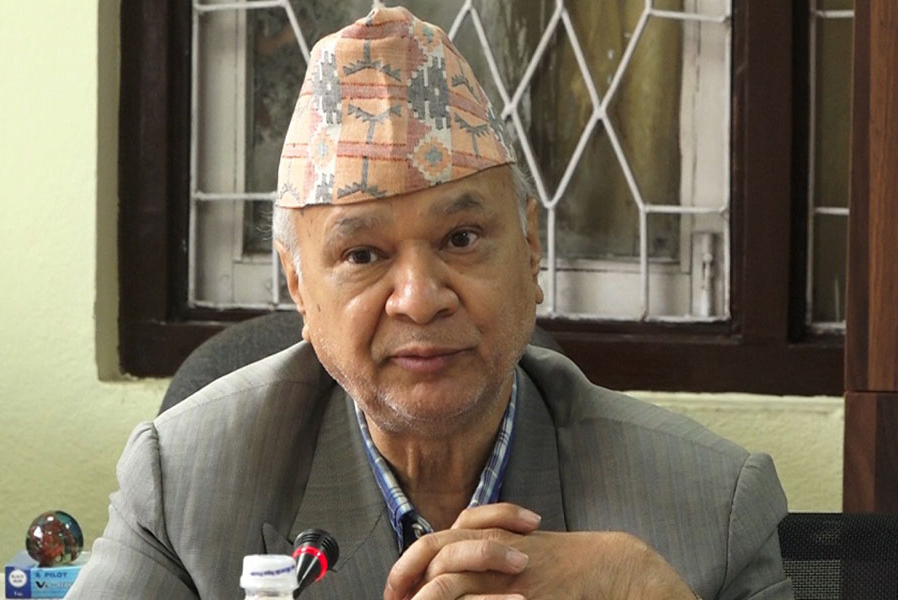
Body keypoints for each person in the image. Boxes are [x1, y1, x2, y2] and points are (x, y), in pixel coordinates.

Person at [68, 7, 791, 599]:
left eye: (462, 238)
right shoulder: (186, 482)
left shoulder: (711, 506)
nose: (419, 300)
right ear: (298, 287)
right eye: (362, 254)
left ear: (530, 249)